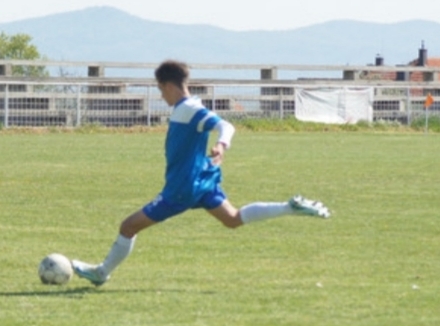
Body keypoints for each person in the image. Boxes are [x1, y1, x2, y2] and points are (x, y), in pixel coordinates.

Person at [72, 60, 330, 286]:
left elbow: (226, 126)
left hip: (182, 188)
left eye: (161, 90)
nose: (161, 96)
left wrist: (221, 144)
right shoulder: (189, 106)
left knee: (128, 226)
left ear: (169, 86)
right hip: (202, 180)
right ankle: (289, 207)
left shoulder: (189, 110)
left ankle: (102, 272)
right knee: (233, 219)